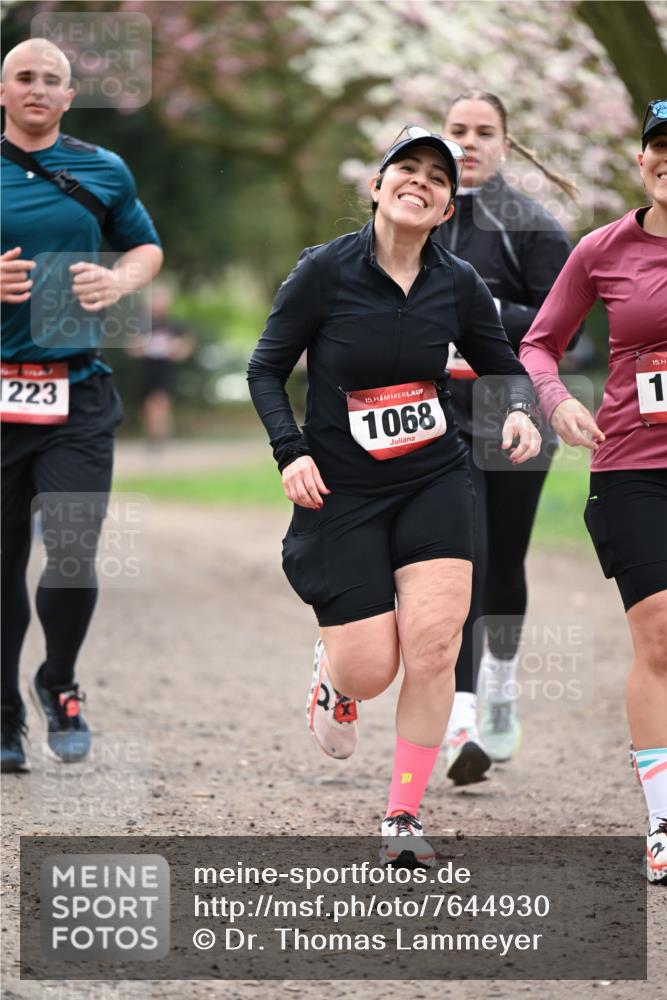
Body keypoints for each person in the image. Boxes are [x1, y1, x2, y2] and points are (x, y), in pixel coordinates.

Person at [248, 125, 541, 864]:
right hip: (342, 490)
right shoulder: (323, 271)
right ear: (376, 187)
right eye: (406, 168)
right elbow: (265, 369)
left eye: (437, 178)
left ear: (447, 208)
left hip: (432, 479)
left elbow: (502, 363)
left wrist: (515, 409)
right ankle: (335, 675)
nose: (421, 182)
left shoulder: (457, 282)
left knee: (435, 647)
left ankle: (403, 816)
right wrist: (291, 451)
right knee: (370, 669)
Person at [0, 39, 163, 772]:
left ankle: (58, 680)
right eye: (24, 77)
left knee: (70, 555)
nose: (37, 88)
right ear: (3, 91)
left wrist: (119, 282)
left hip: (77, 392)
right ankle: (4, 719)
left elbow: (145, 247)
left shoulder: (103, 169)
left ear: (69, 96)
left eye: (52, 80)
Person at [519, 99, 667, 884]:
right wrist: (555, 403)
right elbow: (539, 344)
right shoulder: (601, 250)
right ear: (641, 162)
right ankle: (663, 819)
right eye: (659, 147)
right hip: (632, 468)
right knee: (659, 638)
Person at [433, 90, 581, 783]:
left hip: (515, 408)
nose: (468, 143)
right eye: (457, 129)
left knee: (503, 561)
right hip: (437, 413)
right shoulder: (419, 210)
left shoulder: (532, 225)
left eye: (483, 132)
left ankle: (498, 686)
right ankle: (461, 714)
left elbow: (568, 334)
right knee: (464, 554)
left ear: (505, 142)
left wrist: (488, 310)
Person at [126, 282, 194, 446]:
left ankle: (160, 436)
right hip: (146, 369)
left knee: (161, 401)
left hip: (165, 369)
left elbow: (187, 345)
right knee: (147, 406)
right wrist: (143, 346)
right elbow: (130, 347)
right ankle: (152, 435)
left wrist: (176, 349)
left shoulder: (174, 324)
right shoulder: (141, 324)